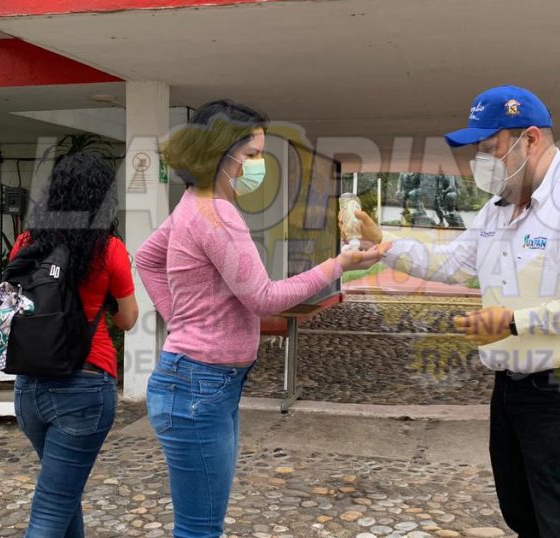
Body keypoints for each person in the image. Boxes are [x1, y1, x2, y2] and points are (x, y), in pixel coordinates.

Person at [349, 85, 560, 538]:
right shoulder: (498, 210)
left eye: (491, 148)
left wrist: (512, 322)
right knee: (523, 516)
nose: (481, 161)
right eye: (477, 151)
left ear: (532, 139)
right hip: (511, 391)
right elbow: (452, 262)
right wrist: (380, 244)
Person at [135, 99, 389, 538]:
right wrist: (338, 266)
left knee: (199, 526)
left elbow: (146, 258)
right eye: (251, 154)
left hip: (199, 382)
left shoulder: (191, 204)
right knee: (200, 530)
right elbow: (263, 298)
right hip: (200, 386)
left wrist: (182, 323)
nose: (257, 164)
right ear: (221, 152)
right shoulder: (219, 215)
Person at [8, 152, 139, 537]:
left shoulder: (26, 242)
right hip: (84, 389)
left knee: (63, 494)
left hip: (29, 387)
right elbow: (127, 320)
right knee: (51, 509)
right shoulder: (108, 248)